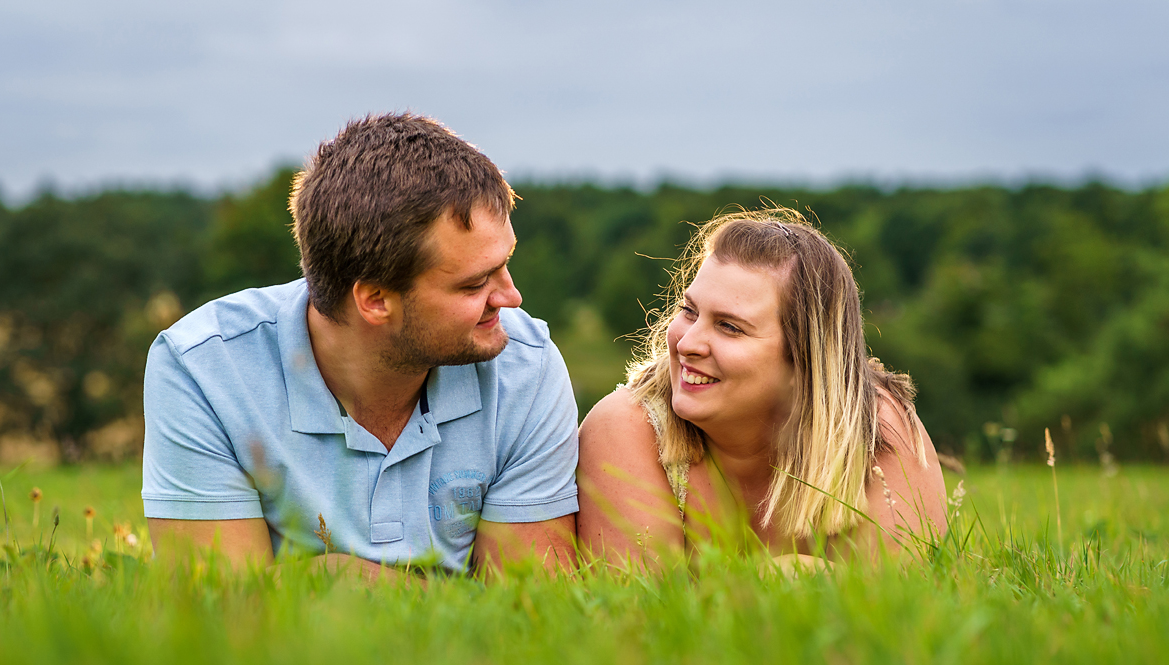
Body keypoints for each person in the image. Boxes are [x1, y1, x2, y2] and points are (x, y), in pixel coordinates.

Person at [142, 113, 578, 579]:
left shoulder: (526, 366)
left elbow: (529, 610)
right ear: (374, 301)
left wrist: (332, 577)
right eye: (474, 285)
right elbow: (220, 609)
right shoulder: (202, 367)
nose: (511, 298)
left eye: (504, 264)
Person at [577, 207, 946, 570]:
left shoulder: (877, 430)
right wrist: (788, 574)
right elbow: (632, 614)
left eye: (729, 327)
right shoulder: (626, 426)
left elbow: (899, 609)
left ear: (802, 361)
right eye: (689, 311)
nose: (688, 342)